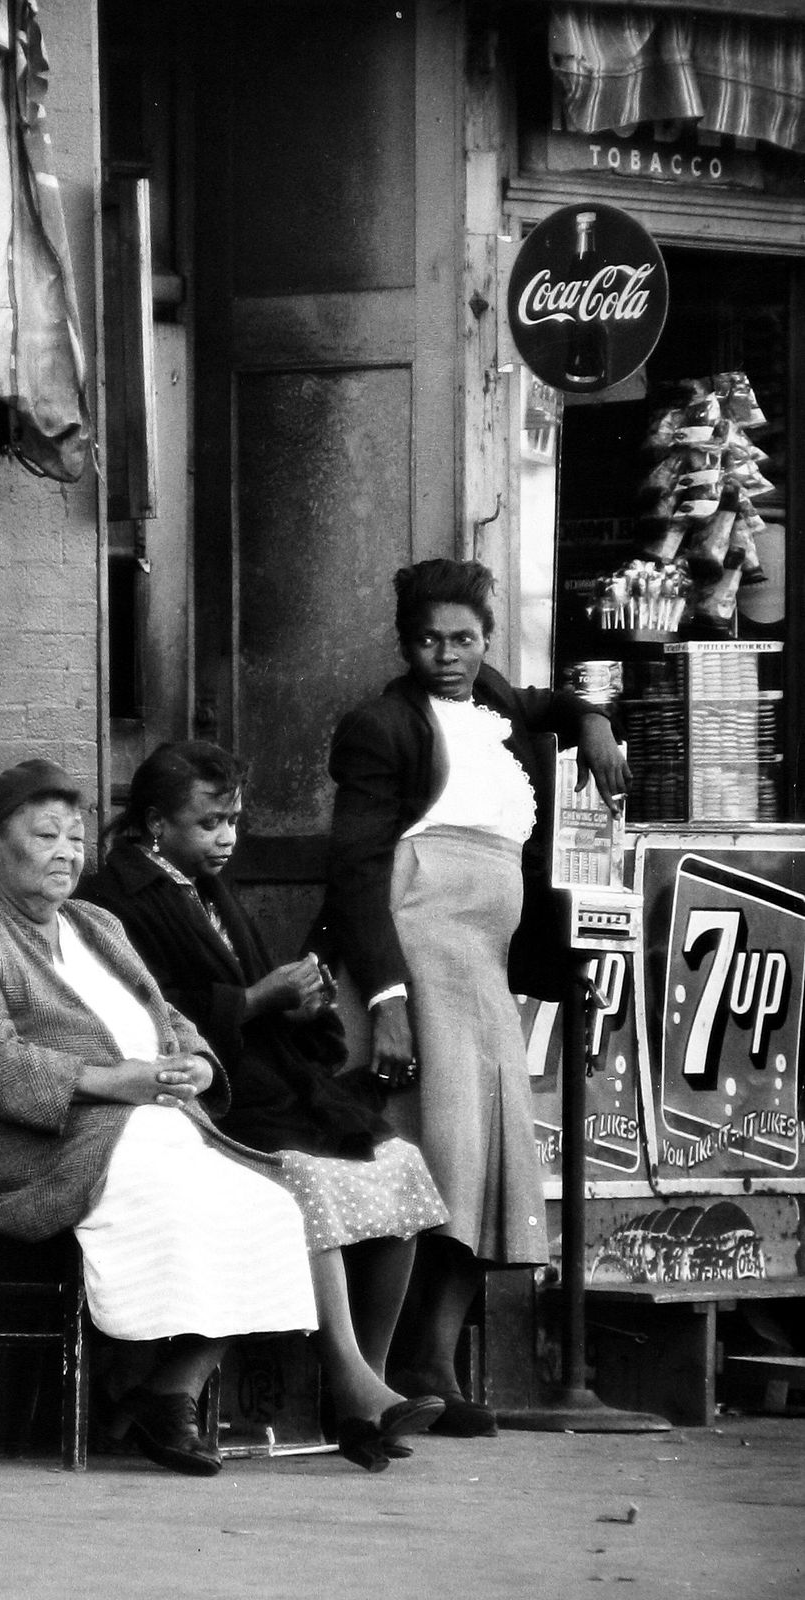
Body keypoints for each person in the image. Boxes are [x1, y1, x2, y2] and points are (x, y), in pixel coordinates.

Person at [0, 757, 320, 1477]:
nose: (68, 852)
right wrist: (118, 1083)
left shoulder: (95, 922)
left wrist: (197, 1063)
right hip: (34, 1151)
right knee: (175, 1178)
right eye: (46, 836)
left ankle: (173, 1388)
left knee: (272, 1204)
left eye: (76, 837)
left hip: (149, 1127)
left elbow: (167, 1013)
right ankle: (127, 1389)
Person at [315, 557, 630, 1437]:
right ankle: (375, 1373)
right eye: (427, 640)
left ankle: (434, 1359)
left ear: (486, 639)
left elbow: (551, 704)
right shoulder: (384, 726)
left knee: (485, 1163)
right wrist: (384, 998)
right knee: (426, 1155)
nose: (445, 655)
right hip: (417, 944)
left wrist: (595, 724)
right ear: (404, 645)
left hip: (484, 961)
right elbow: (356, 866)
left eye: (462, 638)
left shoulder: (498, 703)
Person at [80, 741, 449, 1469]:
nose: (226, 839)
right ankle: (354, 1390)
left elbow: (254, 990)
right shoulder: (114, 901)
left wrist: (301, 1001)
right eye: (209, 823)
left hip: (277, 1087)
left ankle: (363, 1385)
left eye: (234, 822)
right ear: (156, 824)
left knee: (398, 1164)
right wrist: (255, 1000)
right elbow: (143, 1018)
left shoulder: (202, 887)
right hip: (215, 1104)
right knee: (303, 1182)